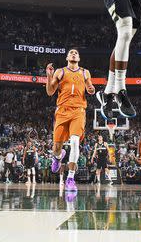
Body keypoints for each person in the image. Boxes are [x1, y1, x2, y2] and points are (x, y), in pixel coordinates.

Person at [45, 48, 95, 196]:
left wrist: (91, 89)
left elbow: (90, 89)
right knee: (57, 147)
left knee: (74, 142)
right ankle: (58, 157)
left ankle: (70, 178)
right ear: (67, 57)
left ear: (79, 58)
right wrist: (48, 76)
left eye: (76, 53)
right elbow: (50, 92)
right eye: (71, 52)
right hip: (62, 111)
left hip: (78, 111)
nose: (73, 54)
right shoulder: (60, 71)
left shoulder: (85, 72)